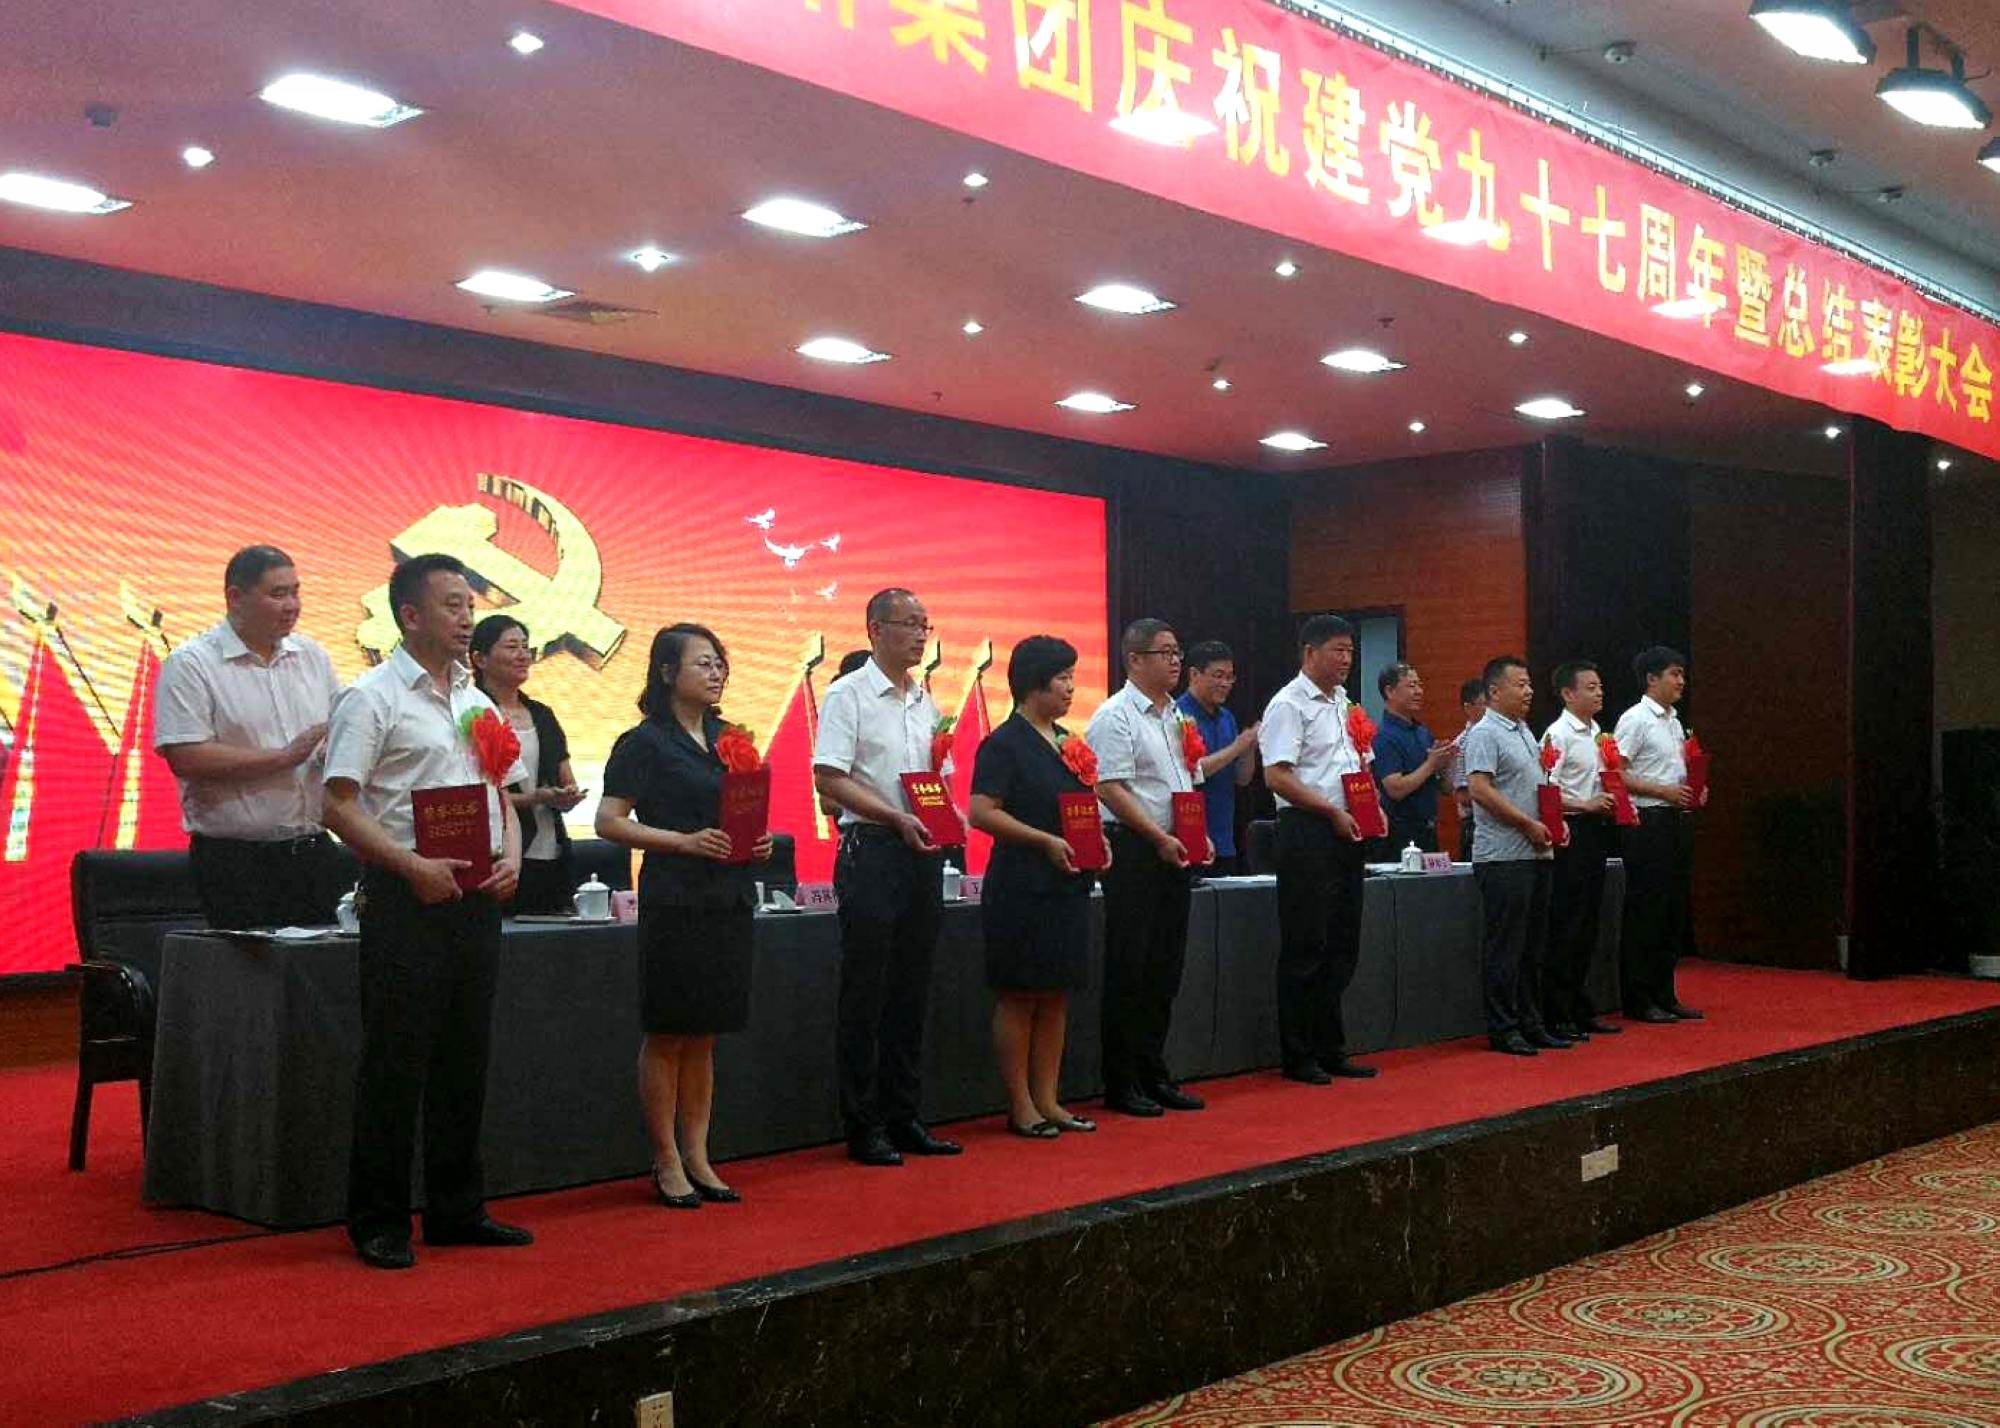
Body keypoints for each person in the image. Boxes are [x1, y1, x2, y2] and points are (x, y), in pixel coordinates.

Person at [321, 553, 530, 1271]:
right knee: (396, 1061)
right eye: (451, 605)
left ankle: (456, 1209)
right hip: (406, 900)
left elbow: (501, 794)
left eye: (470, 604)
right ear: (409, 615)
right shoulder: (371, 697)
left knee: (463, 1059)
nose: (467, 617)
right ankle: (378, 1220)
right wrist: (411, 867)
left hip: (476, 899)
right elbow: (337, 805)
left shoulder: (477, 701)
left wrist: (513, 857)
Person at [596, 623, 773, 1208]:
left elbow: (740, 812)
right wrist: (682, 841)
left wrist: (757, 840)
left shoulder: (731, 738)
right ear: (668, 672)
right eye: (703, 663)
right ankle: (666, 1158)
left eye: (720, 662)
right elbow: (609, 821)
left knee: (705, 1034)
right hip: (675, 897)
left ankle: (698, 1154)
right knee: (669, 1030)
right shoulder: (644, 742)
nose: (716, 672)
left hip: (728, 897)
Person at [813, 589, 964, 1166]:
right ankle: (863, 1123)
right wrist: (895, 817)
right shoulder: (847, 694)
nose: (921, 635)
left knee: (911, 988)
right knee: (867, 993)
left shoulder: (924, 699)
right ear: (875, 629)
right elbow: (830, 777)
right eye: (910, 624)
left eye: (926, 624)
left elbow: (932, 778)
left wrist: (948, 816)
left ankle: (904, 1116)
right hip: (872, 850)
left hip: (920, 853)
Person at [154, 545, 344, 928]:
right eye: (278, 594)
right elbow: (186, 756)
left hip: (314, 851)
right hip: (236, 862)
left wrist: (333, 749)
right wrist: (284, 757)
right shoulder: (192, 663)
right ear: (235, 597)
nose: (292, 605)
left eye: (296, 592)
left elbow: (336, 728)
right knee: (250, 965)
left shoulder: (312, 656)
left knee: (324, 960)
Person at [968, 635, 1100, 1139]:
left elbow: (1079, 812)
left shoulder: (1067, 742)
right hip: (1022, 887)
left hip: (1067, 884)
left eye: (1072, 677)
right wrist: (1044, 841)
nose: (1071, 687)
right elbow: (982, 812)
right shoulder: (1004, 744)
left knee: (1057, 994)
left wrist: (1097, 844)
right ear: (1033, 683)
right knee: (1021, 994)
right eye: (1062, 678)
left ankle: (1049, 1099)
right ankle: (1021, 1104)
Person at [1087, 618, 1211, 1117]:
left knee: (1165, 967)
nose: (1176, 661)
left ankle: (1153, 1072)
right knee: (1130, 968)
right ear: (1134, 660)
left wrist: (1194, 833)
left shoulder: (1176, 715)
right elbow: (1109, 787)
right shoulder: (1114, 716)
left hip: (1173, 851)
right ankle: (1122, 1082)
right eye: (1165, 652)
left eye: (1178, 651)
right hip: (1135, 852)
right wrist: (1159, 837)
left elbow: (1186, 783)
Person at [1259, 614, 1379, 1085]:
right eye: (1337, 650)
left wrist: (1372, 806)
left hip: (1348, 829)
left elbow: (1358, 766)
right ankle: (1298, 1052)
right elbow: (1277, 775)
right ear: (1309, 652)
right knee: (1306, 943)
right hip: (1308, 829)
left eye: (1350, 651)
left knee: (1342, 943)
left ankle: (1331, 1046)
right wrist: (1330, 811)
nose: (1346, 659)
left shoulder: (1345, 703)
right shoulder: (1289, 704)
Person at [1463, 656, 1564, 1057]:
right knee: (1506, 946)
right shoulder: (1485, 733)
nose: (1529, 691)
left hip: (1537, 852)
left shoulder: (1524, 731)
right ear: (1494, 691)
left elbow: (1534, 786)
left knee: (1533, 945)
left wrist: (1554, 822)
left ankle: (1532, 1022)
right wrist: (1526, 824)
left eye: (1529, 684)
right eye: (1520, 685)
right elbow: (1480, 790)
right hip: (1504, 856)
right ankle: (1504, 1028)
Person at [1613, 645, 1705, 1025]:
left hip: (1676, 820)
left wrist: (1693, 789)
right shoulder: (1635, 719)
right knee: (1647, 909)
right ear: (1651, 679)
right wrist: (1663, 791)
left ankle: (1665, 993)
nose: (1681, 681)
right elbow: (1616, 773)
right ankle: (1639, 997)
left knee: (1671, 910)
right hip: (1647, 821)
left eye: (1682, 674)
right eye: (1674, 674)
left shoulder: (1674, 721)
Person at [470, 615, 585, 915]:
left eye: (526, 647)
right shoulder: (473, 714)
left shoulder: (542, 715)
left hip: (551, 850)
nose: (523, 655)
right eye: (512, 647)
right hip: (500, 856)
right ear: (480, 659)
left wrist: (567, 795)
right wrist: (535, 798)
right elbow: (481, 795)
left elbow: (565, 778)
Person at [1541, 660, 1623, 1043]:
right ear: (1567, 694)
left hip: (1596, 830)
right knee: (1567, 923)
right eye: (1590, 687)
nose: (1599, 692)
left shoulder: (1598, 734)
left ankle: (1579, 1005)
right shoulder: (1557, 734)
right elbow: (1547, 793)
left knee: (1589, 922)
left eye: (1600, 686)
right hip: (1570, 833)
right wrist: (1585, 804)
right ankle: (1557, 1012)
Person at [1175, 641, 1259, 876]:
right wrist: (1237, 747)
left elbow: (1242, 779)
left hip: (1224, 838)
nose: (1225, 684)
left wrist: (1249, 748)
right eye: (1218, 676)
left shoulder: (1227, 717)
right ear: (1194, 674)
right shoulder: (1177, 714)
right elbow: (1193, 772)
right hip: (1189, 836)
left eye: (1230, 677)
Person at [1371, 662, 1454, 856]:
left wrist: (1444, 764)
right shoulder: (1383, 736)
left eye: (1419, 685)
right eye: (1411, 686)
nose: (1418, 691)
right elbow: (1395, 789)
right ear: (1390, 691)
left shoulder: (1423, 732)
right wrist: (1431, 764)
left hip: (1429, 830)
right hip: (1400, 833)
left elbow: (1447, 789)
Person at [1450, 678, 1487, 863]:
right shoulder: (1463, 743)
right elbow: (1462, 795)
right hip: (1476, 825)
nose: (1490, 711)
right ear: (1468, 708)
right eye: (1484, 704)